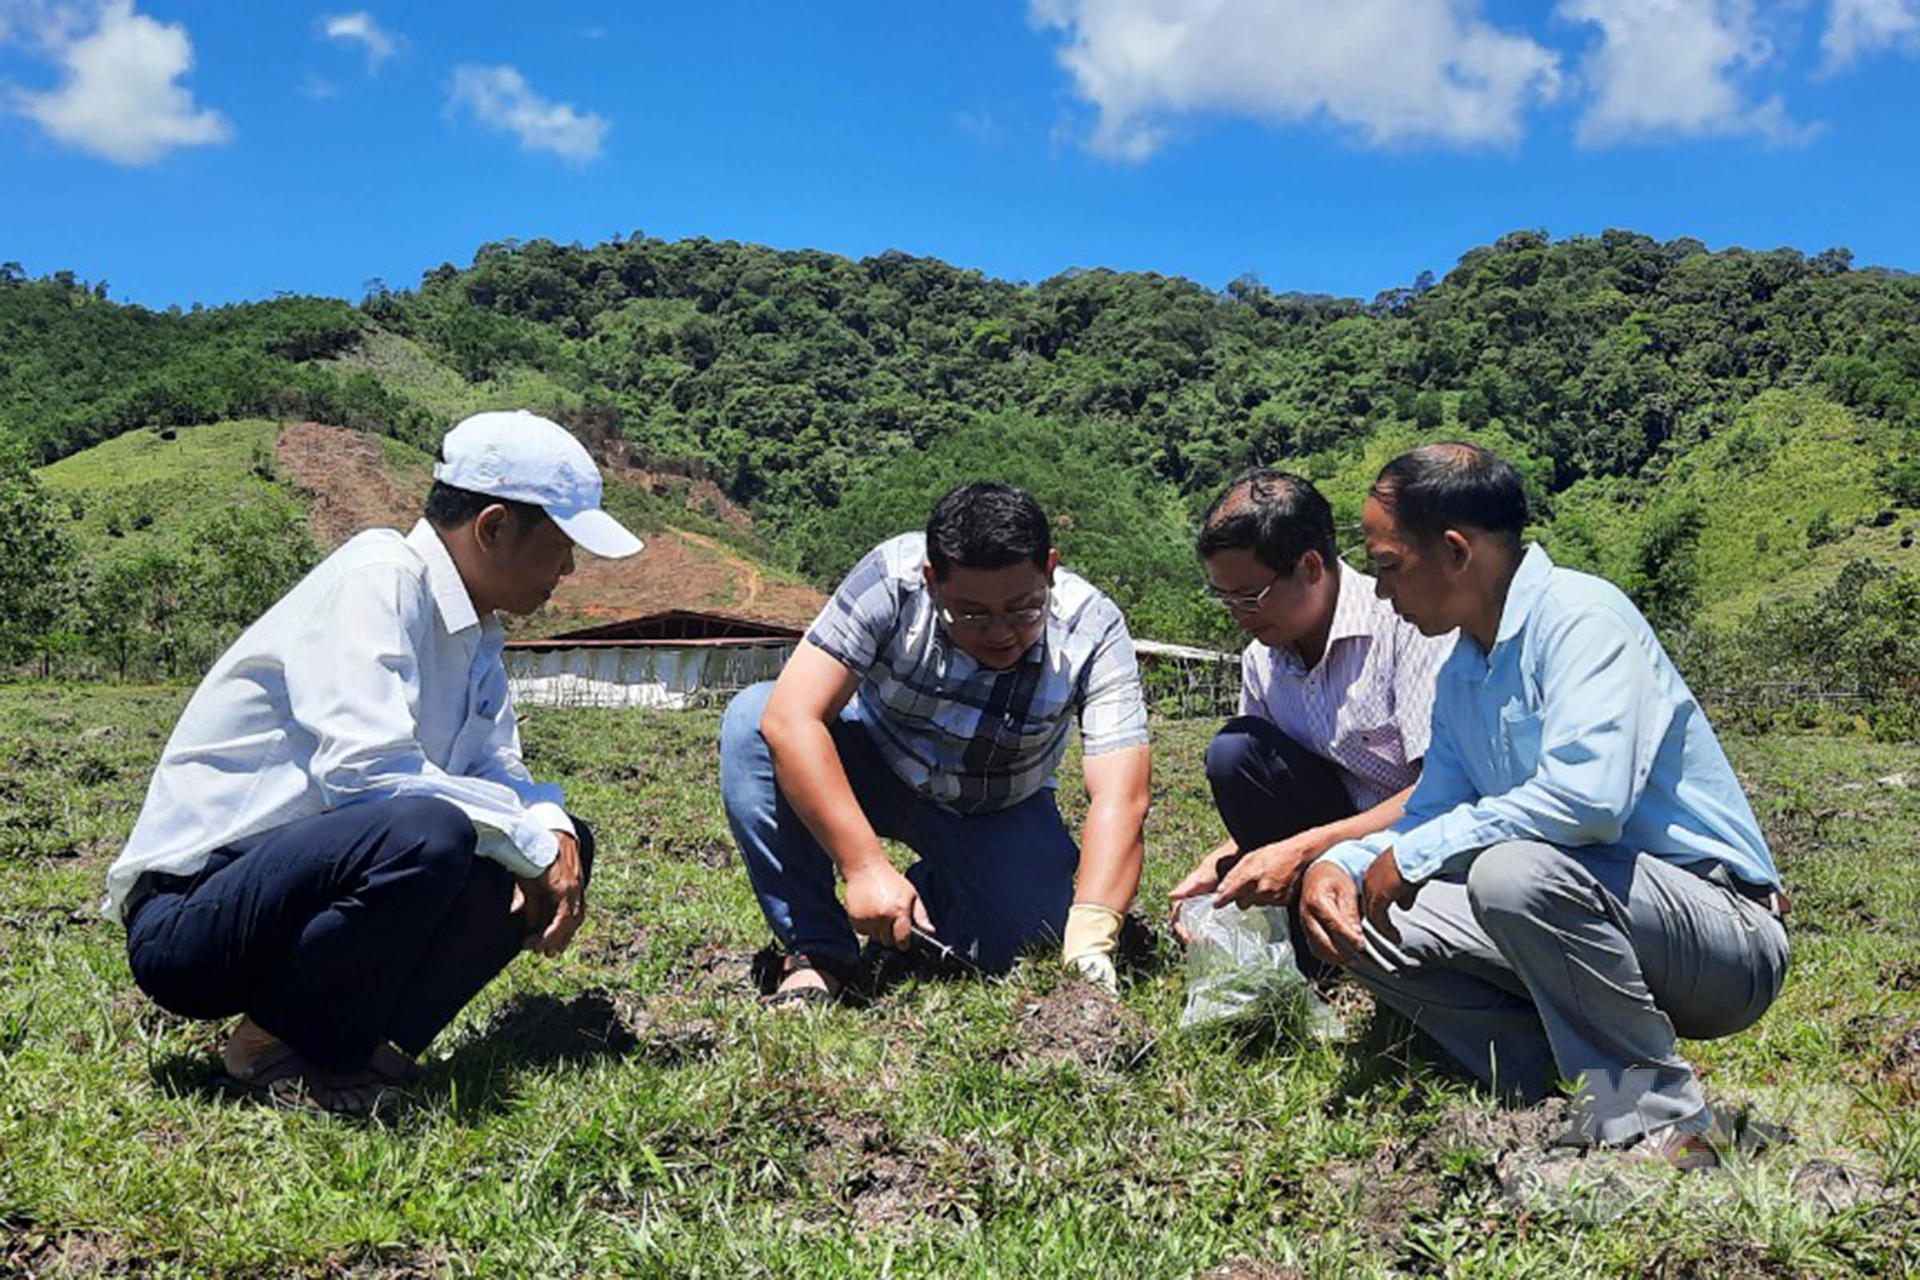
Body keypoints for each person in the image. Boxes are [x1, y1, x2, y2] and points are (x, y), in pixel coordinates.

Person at [105, 409, 645, 1115]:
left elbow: (499, 773)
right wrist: (533, 839)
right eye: (563, 544)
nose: (569, 569)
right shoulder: (378, 578)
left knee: (550, 835)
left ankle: (369, 1055)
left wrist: (556, 831)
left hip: (301, 899)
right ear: (493, 527)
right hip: (195, 917)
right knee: (431, 832)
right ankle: (266, 1048)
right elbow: (366, 776)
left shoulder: (476, 635)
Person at [1299, 442, 1789, 1166]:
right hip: (1595, 916)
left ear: (1457, 552)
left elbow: (1588, 803)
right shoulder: (1466, 669)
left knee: (1512, 872)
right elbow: (1432, 810)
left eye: (1388, 565)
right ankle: (1559, 1091)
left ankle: (1657, 1121)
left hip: (1721, 936)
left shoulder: (1584, 620)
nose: (1379, 591)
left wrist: (1418, 853)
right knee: (1362, 921)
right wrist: (1339, 862)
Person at [720, 481, 1152, 1003]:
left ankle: (921, 902)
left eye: (1022, 609)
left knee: (1029, 935)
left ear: (1050, 570)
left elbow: (1120, 794)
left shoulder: (1094, 629)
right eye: (970, 613)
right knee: (752, 722)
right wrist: (863, 866)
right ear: (932, 580)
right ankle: (819, 950)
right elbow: (792, 717)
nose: (999, 633)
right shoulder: (888, 580)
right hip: (876, 763)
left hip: (996, 804)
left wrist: (1092, 935)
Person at [1167, 469, 1452, 945]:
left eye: (1251, 597)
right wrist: (1223, 862)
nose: (1240, 614)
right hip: (1329, 833)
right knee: (1235, 751)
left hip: (1414, 840)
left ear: (1311, 567)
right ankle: (1307, 933)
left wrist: (1303, 850)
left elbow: (1441, 790)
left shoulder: (1405, 626)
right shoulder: (1262, 659)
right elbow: (1266, 793)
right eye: (1226, 599)